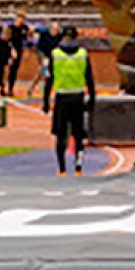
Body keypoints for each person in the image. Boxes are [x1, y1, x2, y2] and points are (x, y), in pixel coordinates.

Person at [42, 26, 95, 177]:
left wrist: (45, 101)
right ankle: (78, 167)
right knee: (78, 134)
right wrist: (92, 98)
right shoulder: (83, 54)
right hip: (78, 97)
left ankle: (62, 169)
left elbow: (49, 80)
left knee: (60, 134)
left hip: (61, 98)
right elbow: (89, 78)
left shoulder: (55, 54)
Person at [7, 12, 31, 97]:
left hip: (19, 50)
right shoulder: (11, 28)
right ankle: (5, 87)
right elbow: (8, 40)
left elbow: (27, 39)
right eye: (19, 17)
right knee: (8, 68)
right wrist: (11, 49)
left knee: (14, 69)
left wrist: (26, 49)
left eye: (23, 18)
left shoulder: (24, 28)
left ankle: (10, 88)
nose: (21, 20)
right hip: (10, 49)